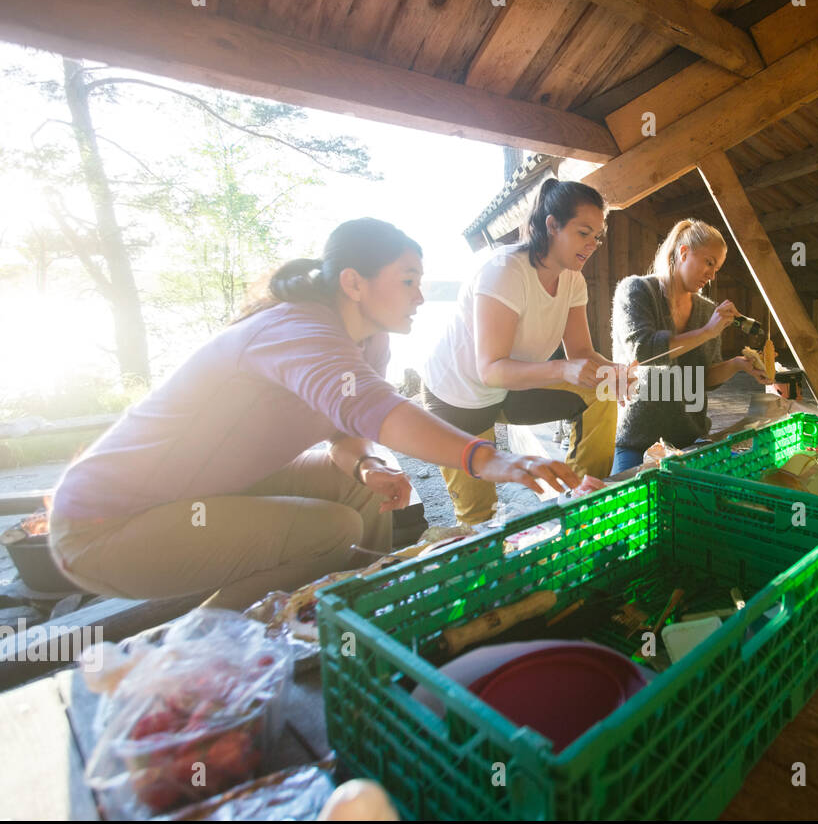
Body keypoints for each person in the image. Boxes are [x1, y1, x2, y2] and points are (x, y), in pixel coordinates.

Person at [48, 218, 579, 610]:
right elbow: (378, 410)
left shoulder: (368, 344)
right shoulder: (295, 328)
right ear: (353, 283)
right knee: (332, 528)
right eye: (408, 280)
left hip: (212, 492)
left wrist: (366, 464)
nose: (420, 295)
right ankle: (215, 646)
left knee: (363, 490)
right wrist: (488, 459)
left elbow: (349, 430)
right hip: (106, 521)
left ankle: (358, 613)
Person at [418, 179, 633, 523]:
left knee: (602, 387)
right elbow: (491, 369)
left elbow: (580, 351)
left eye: (598, 236)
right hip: (458, 395)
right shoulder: (504, 272)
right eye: (583, 232)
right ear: (552, 225)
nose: (593, 244)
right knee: (479, 517)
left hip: (512, 386)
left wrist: (616, 370)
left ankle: (584, 499)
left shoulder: (573, 279)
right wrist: (562, 369)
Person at [609, 218, 768, 475]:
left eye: (717, 268)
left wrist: (739, 364)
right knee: (630, 510)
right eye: (709, 262)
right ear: (683, 253)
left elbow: (705, 378)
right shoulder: (636, 290)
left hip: (691, 440)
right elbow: (645, 351)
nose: (712, 274)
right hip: (637, 440)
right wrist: (707, 332)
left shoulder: (707, 310)